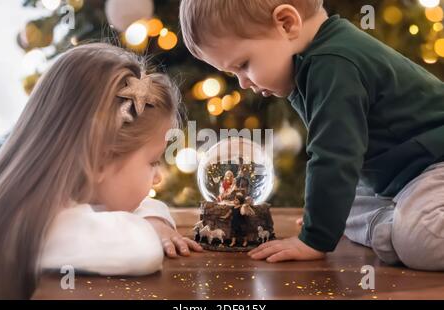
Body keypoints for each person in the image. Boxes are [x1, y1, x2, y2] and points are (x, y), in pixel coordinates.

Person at [179, 0, 444, 270]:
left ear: (286, 23)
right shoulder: (313, 60)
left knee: (419, 241)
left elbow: (335, 154)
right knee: (343, 204)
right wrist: (325, 216)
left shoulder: (333, 64)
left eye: (244, 64)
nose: (244, 83)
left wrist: (314, 239)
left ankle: (400, 231)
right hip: (401, 178)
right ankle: (394, 227)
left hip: (434, 164)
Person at [0, 43, 203, 299]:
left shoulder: (37, 203)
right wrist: (150, 225)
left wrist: (155, 217)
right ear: (101, 159)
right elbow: (142, 246)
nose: (158, 177)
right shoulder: (49, 228)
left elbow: (142, 209)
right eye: (153, 162)